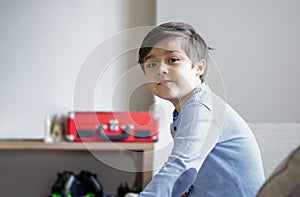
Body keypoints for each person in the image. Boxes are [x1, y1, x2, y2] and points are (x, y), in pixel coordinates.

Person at [135, 22, 265, 197]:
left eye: (172, 60)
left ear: (199, 68)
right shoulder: (187, 109)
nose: (161, 69)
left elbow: (182, 167)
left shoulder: (201, 108)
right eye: (151, 65)